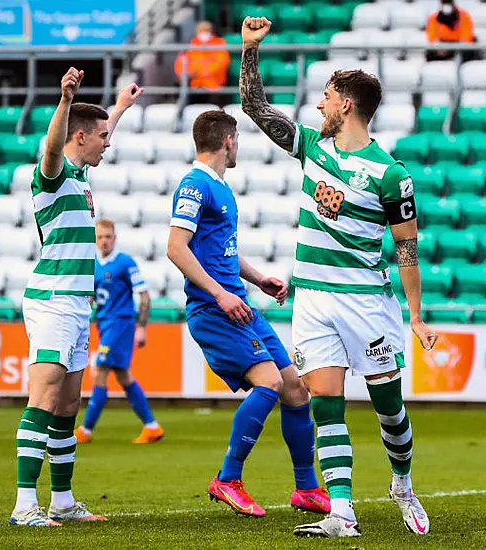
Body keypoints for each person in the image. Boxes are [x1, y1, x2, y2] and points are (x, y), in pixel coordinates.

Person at [240, 16, 438, 538]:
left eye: (327, 97)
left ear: (346, 104)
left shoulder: (391, 174)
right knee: (325, 405)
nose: (319, 106)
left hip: (368, 304)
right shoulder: (312, 146)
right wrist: (249, 51)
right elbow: (255, 109)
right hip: (314, 303)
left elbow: (408, 249)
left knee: (388, 408)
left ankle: (403, 484)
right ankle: (341, 512)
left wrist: (416, 316)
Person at [166, 110, 330, 518]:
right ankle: (228, 478)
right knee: (270, 383)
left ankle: (306, 488)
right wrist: (221, 295)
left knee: (295, 388)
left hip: (240, 303)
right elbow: (176, 248)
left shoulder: (220, 187)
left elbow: (221, 252)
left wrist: (258, 280)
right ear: (228, 140)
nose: (238, 146)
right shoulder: (195, 185)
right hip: (215, 308)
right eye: (237, 139)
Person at [10, 68, 141, 527]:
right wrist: (64, 99)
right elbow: (51, 148)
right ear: (79, 136)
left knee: (67, 406)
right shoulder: (53, 176)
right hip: (52, 300)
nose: (109, 142)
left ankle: (61, 501)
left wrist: (120, 107)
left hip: (75, 304)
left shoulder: (82, 175)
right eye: (102, 136)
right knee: (42, 399)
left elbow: (97, 132)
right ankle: (25, 505)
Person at [74, 219, 165, 445]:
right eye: (100, 237)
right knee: (124, 376)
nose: (104, 241)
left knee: (101, 369)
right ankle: (152, 426)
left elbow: (143, 294)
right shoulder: (92, 264)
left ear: (114, 238)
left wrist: (141, 327)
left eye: (108, 236)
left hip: (121, 324)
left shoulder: (125, 263)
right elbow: (91, 297)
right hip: (104, 324)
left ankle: (85, 430)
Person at [175, 21, 231, 106]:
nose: (204, 33)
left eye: (206, 30)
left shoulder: (219, 43)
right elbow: (180, 63)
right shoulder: (192, 44)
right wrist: (189, 73)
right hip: (194, 84)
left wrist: (201, 72)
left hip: (213, 84)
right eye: (201, 30)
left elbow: (222, 62)